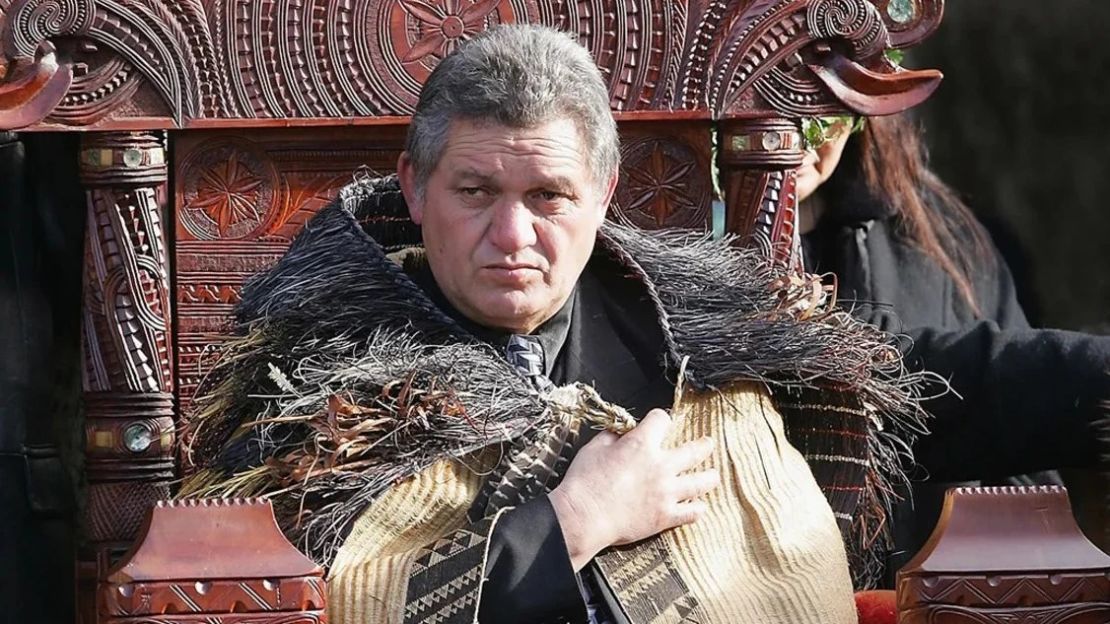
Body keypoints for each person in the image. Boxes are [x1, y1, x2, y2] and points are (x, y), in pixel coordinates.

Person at [797, 113, 1110, 575]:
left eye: (819, 111)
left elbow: (1025, 490)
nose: (796, 135)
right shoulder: (672, 243)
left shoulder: (941, 237)